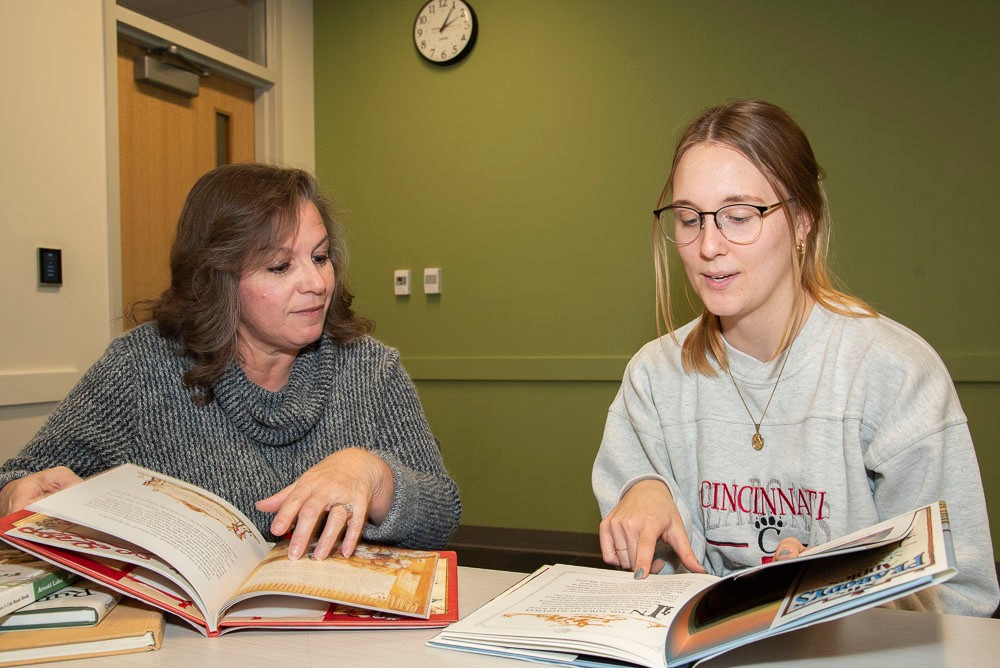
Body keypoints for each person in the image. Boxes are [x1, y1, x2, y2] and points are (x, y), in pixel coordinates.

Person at [592, 99, 999, 616]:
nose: (708, 245)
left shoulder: (894, 373)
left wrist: (831, 590)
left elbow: (962, 597)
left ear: (803, 220)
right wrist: (644, 487)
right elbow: (659, 595)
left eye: (739, 216)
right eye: (690, 219)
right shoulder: (654, 375)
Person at [0, 163, 461, 562]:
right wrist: (18, 492)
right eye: (280, 267)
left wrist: (376, 475)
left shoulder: (370, 368)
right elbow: (21, 479)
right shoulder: (142, 367)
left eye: (320, 258)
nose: (317, 283)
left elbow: (443, 516)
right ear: (216, 277)